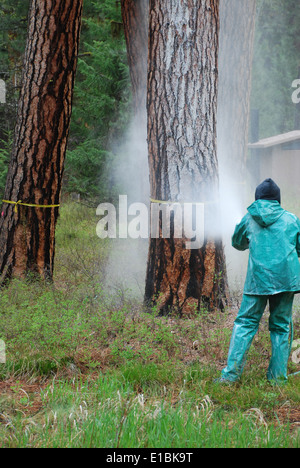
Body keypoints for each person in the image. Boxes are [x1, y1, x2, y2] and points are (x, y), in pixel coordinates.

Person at [217, 178, 300, 384]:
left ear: (257, 199)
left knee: (245, 324)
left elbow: (238, 243)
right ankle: (277, 379)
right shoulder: (291, 220)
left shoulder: (248, 219)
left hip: (257, 282)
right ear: (277, 200)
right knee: (281, 326)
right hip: (286, 281)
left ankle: (230, 377)